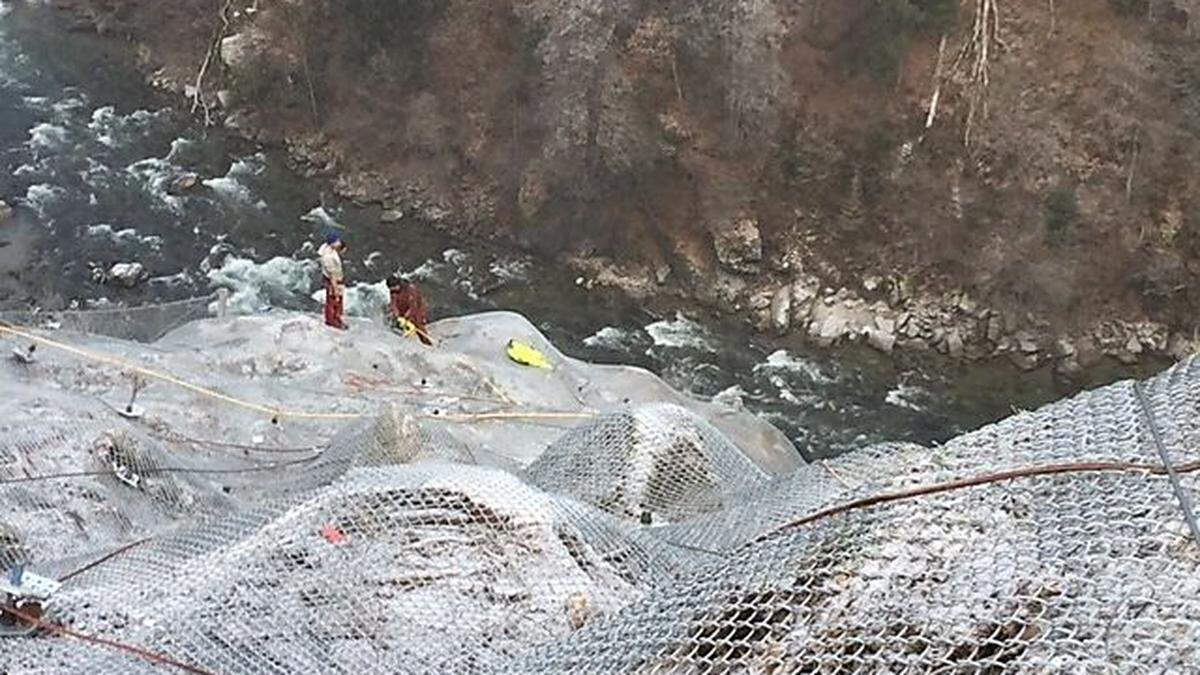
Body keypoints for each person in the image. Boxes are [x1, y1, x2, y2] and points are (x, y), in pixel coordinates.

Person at [387, 274, 432, 346]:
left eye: (394, 287)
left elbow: (413, 305)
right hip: (402, 308)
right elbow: (393, 303)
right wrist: (395, 313)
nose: (393, 290)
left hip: (416, 309)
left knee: (418, 324)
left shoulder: (410, 289)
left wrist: (408, 315)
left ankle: (427, 342)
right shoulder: (394, 292)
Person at [318, 234, 347, 329]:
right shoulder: (328, 258)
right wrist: (335, 289)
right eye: (337, 241)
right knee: (334, 300)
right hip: (334, 280)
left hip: (334, 278)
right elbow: (332, 276)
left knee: (334, 301)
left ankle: (336, 318)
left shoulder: (328, 250)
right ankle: (333, 320)